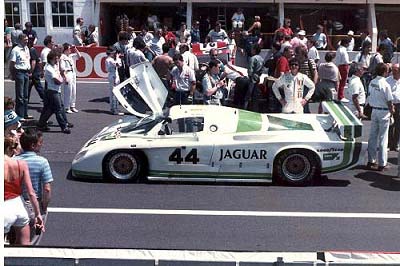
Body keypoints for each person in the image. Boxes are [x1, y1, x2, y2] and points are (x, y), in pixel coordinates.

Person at [4, 137, 44, 245]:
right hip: (18, 206)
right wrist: (38, 214)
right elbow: (31, 192)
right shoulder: (21, 164)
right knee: (24, 246)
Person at [16, 128, 53, 215]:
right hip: (34, 204)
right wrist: (44, 205)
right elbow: (47, 189)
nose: (41, 144)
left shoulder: (13, 161)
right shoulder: (42, 162)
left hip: (16, 202)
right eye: (40, 142)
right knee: (37, 227)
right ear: (33, 145)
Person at [366, 63, 394, 171]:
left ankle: (371, 160)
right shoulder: (385, 84)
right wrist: (392, 111)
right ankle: (382, 163)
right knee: (383, 138)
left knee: (372, 136)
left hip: (374, 110)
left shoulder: (372, 82)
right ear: (384, 72)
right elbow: (389, 101)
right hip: (383, 112)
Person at [37, 51, 72, 134]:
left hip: (55, 90)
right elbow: (57, 81)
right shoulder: (49, 68)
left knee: (50, 109)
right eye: (56, 58)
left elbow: (59, 76)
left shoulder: (55, 66)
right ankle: (64, 126)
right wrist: (62, 79)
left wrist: (60, 78)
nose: (57, 60)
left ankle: (41, 124)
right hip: (52, 91)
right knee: (59, 109)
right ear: (51, 59)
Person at [9, 34, 32, 120]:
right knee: (20, 96)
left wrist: (29, 71)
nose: (26, 41)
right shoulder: (15, 50)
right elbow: (12, 64)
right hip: (19, 73)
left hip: (26, 73)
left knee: (26, 95)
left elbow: (27, 60)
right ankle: (20, 115)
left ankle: (25, 113)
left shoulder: (26, 49)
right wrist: (12, 74)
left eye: (27, 39)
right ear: (20, 40)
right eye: (25, 40)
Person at [295, 45, 318, 113]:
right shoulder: (296, 61)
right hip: (298, 84)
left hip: (307, 86)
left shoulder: (310, 61)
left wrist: (313, 85)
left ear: (303, 53)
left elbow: (315, 73)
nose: (296, 55)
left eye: (298, 53)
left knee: (304, 103)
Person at [60, 43, 81, 113]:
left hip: (73, 73)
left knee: (74, 90)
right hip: (67, 73)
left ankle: (72, 105)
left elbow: (79, 56)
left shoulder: (70, 56)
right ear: (65, 50)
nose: (70, 50)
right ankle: (67, 107)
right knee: (68, 91)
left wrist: (75, 48)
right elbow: (62, 67)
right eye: (69, 49)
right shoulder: (62, 57)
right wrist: (65, 76)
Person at [244, 43, 264, 110]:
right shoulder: (261, 59)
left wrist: (250, 76)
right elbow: (262, 70)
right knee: (255, 95)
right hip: (258, 77)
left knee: (248, 95)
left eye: (252, 49)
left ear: (254, 50)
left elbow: (250, 70)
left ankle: (245, 108)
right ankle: (255, 109)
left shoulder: (252, 58)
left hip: (252, 78)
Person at [105, 47, 124, 116]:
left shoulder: (108, 59)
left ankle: (113, 108)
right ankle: (115, 110)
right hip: (113, 76)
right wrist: (118, 58)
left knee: (112, 92)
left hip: (111, 75)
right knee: (115, 93)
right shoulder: (110, 60)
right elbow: (119, 65)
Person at [387, 63, 400, 151]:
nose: (393, 72)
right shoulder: (387, 80)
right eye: (392, 70)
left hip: (399, 105)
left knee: (398, 125)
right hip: (390, 104)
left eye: (395, 70)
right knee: (390, 125)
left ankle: (396, 144)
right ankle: (389, 144)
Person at [335, 37, 351, 102]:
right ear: (345, 43)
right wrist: (351, 62)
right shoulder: (344, 50)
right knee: (343, 82)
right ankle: (341, 96)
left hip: (339, 66)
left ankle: (340, 95)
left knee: (340, 82)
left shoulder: (339, 49)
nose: (348, 45)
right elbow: (346, 61)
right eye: (348, 43)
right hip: (344, 66)